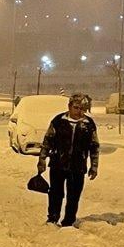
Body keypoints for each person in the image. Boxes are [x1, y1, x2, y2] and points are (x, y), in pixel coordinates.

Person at [36, 93, 99, 228]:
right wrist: (42, 160)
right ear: (69, 106)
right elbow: (47, 141)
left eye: (83, 109)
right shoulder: (58, 121)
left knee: (74, 196)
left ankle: (68, 222)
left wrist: (94, 166)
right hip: (58, 164)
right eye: (77, 108)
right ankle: (52, 218)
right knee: (55, 193)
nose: (79, 111)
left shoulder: (89, 125)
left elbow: (94, 146)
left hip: (78, 166)